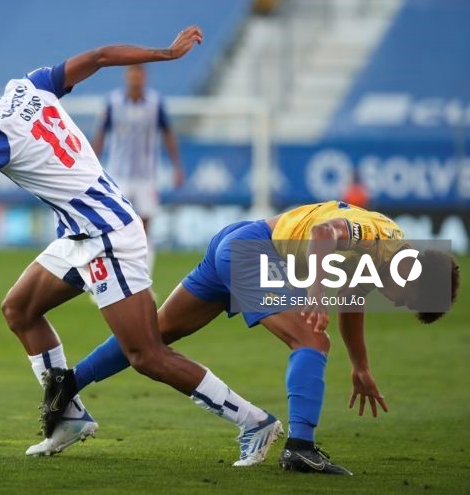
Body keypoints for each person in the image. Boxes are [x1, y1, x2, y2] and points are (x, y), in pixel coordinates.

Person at [0, 26, 283, 462]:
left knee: (146, 355)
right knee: (19, 309)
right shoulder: (27, 86)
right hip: (80, 235)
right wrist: (165, 54)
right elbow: (100, 56)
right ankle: (69, 417)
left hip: (107, 238)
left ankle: (254, 422)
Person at [42, 200, 460, 474]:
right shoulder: (376, 237)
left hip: (237, 239)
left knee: (155, 335)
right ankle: (300, 447)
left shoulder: (390, 257)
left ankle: (68, 384)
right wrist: (315, 292)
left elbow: (353, 303)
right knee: (312, 341)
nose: (398, 301)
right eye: (406, 299)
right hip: (255, 251)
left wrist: (362, 367)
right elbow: (325, 234)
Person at [92, 64, 184, 272]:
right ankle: (110, 275)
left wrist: (177, 166)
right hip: (118, 175)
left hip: (146, 176)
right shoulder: (113, 103)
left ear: (145, 77)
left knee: (145, 227)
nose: (135, 78)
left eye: (139, 73)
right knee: (113, 226)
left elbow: (168, 134)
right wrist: (93, 166)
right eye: (132, 73)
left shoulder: (155, 103)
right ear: (126, 76)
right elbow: (100, 136)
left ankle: (143, 277)